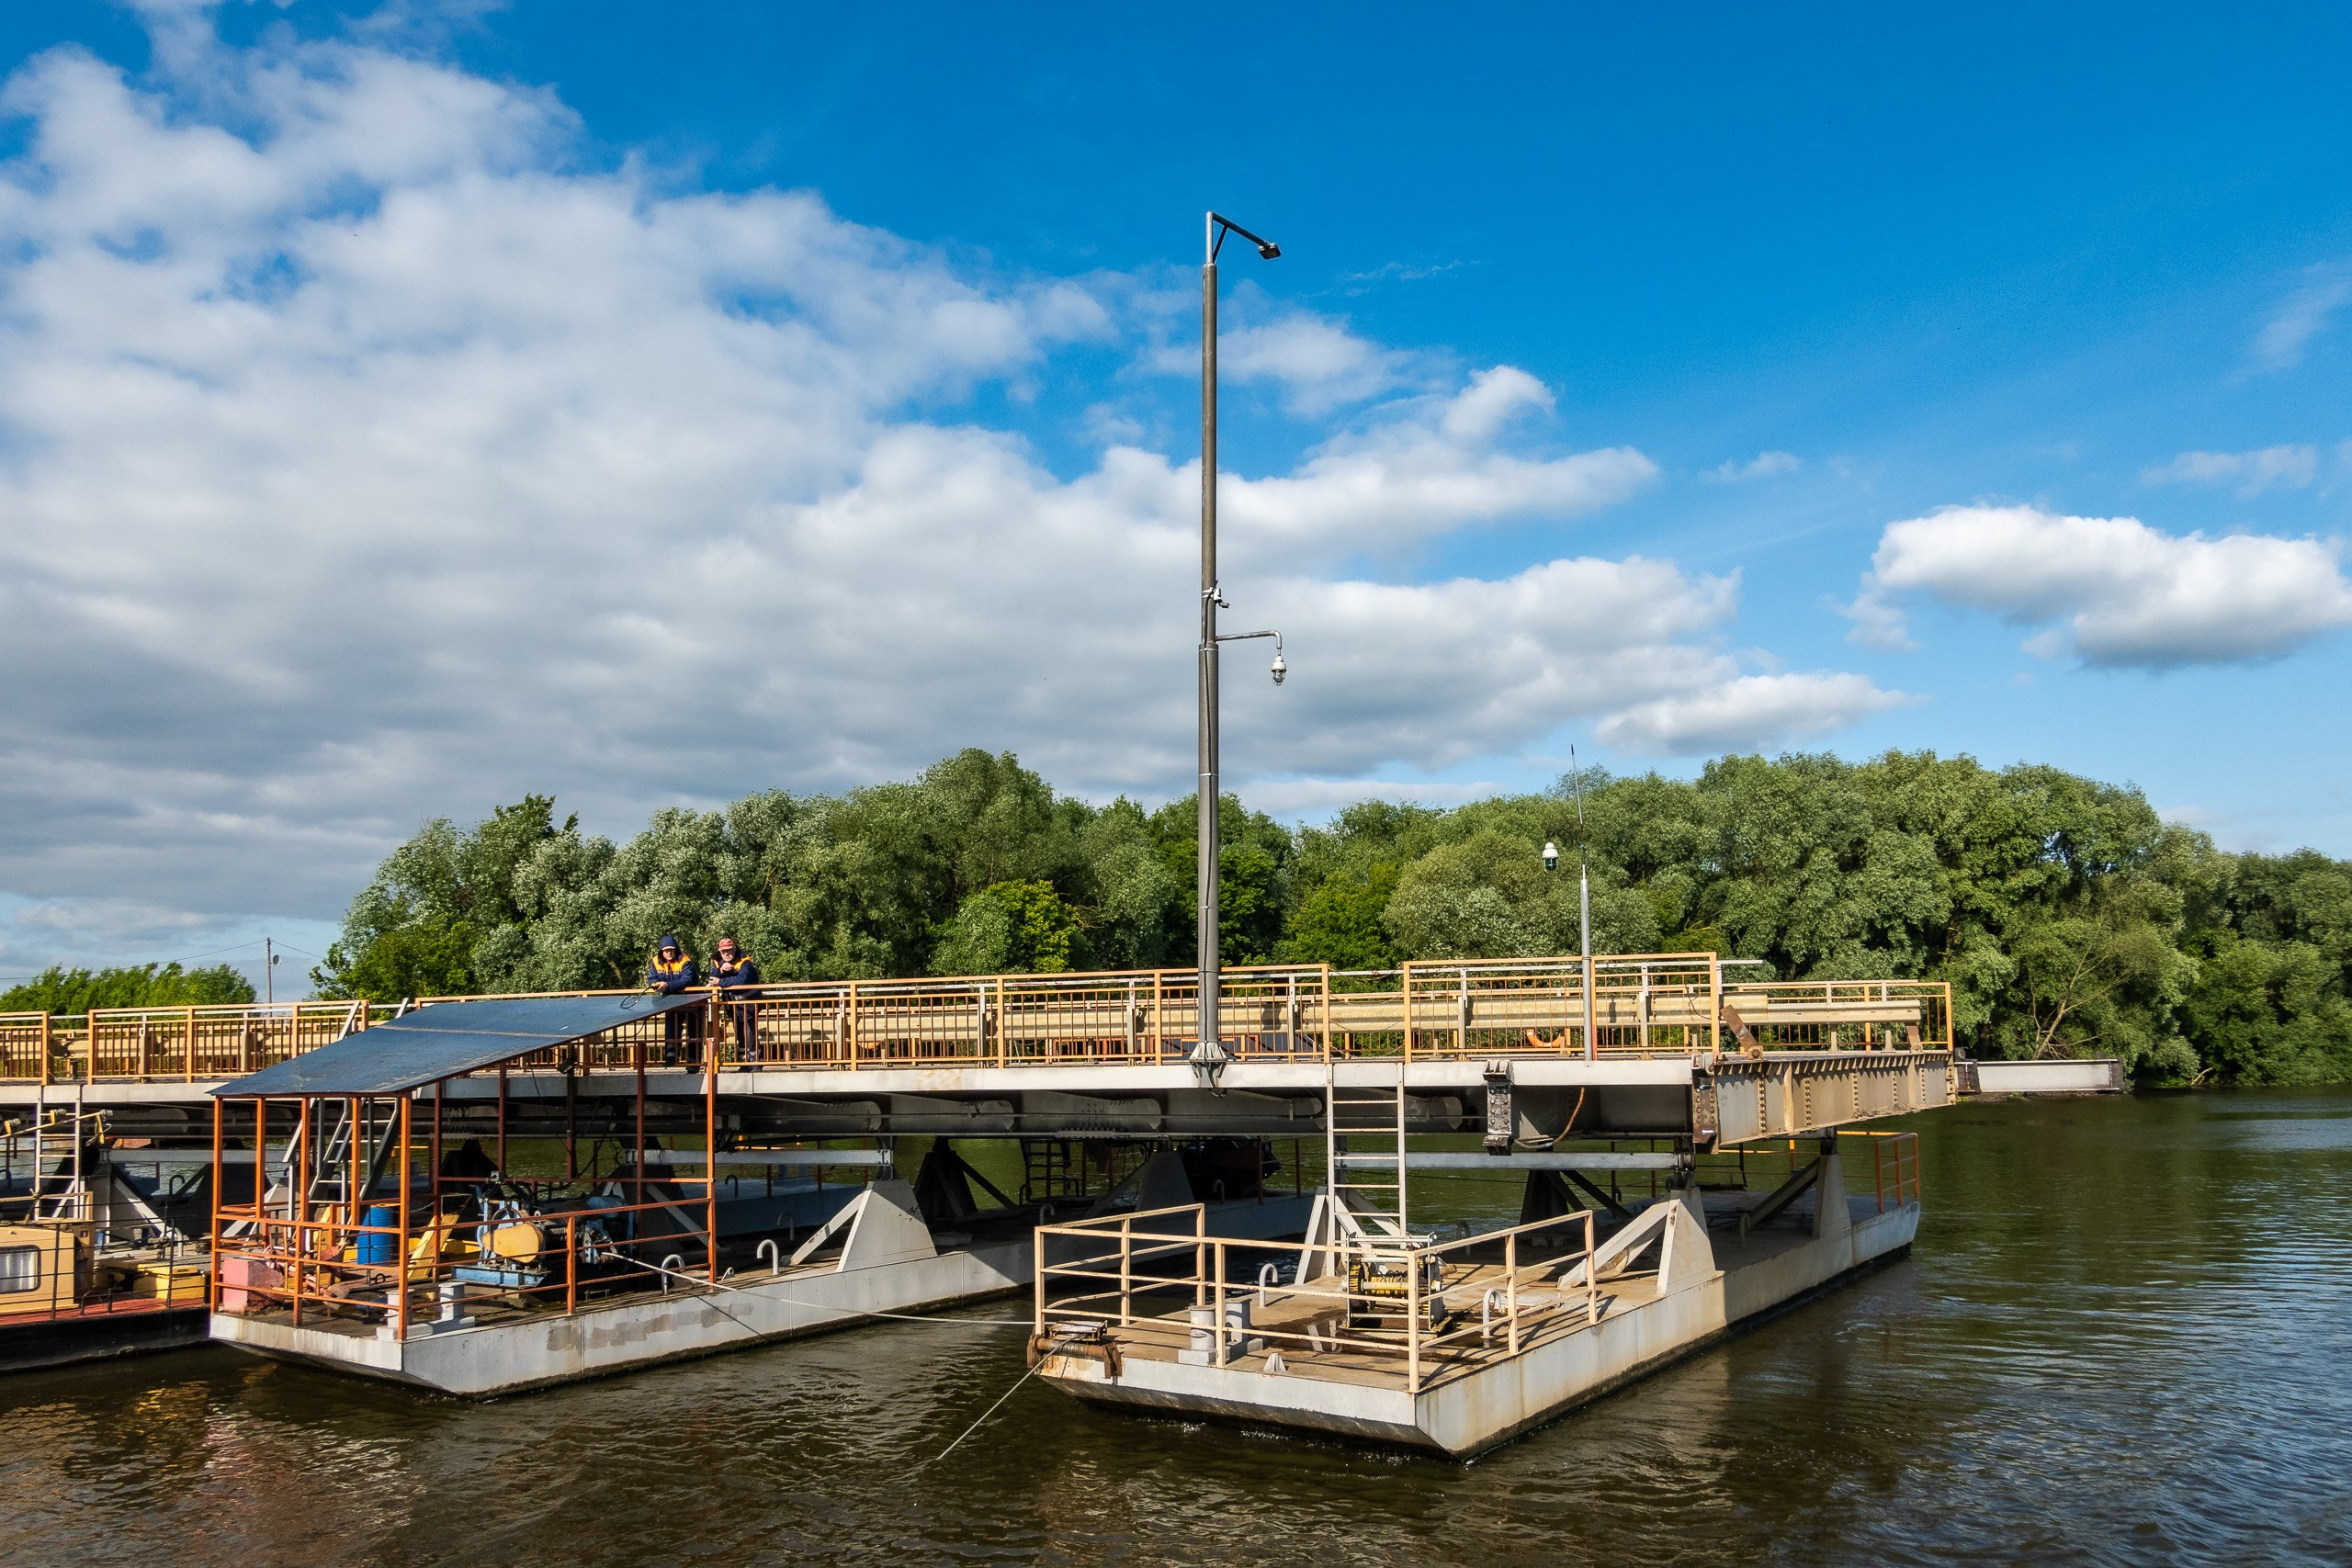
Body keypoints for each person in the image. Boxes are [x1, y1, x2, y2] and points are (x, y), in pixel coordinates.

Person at [646, 936, 702, 1067]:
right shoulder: (655, 961)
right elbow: (652, 978)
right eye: (666, 950)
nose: (669, 953)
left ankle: (693, 1062)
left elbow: (687, 980)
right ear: (661, 952)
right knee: (671, 1029)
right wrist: (655, 984)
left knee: (693, 1032)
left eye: (672, 950)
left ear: (676, 950)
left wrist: (667, 986)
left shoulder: (685, 961)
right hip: (671, 1001)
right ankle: (671, 1057)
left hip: (692, 1001)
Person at [709, 937, 762, 1066]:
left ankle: (756, 1063)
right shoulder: (717, 962)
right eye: (723, 951)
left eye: (729, 950)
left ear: (734, 949)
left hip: (748, 1003)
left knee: (749, 1032)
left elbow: (741, 981)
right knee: (739, 1033)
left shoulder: (745, 962)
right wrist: (721, 971)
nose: (726, 954)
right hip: (732, 1005)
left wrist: (721, 982)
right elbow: (711, 979)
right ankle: (743, 1062)